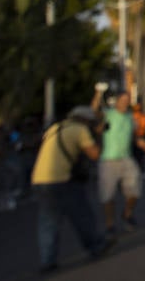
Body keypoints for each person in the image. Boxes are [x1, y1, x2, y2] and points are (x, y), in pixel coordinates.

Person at [30, 101, 113, 272]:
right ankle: (95, 245)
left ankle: (48, 260)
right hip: (61, 179)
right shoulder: (80, 130)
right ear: (85, 120)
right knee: (81, 213)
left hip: (39, 179)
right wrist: (99, 134)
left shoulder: (54, 128)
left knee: (48, 221)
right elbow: (95, 154)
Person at [97, 93, 145, 234]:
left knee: (135, 188)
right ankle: (110, 224)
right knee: (108, 195)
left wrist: (144, 144)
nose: (125, 103)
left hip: (126, 158)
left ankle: (127, 214)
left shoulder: (130, 118)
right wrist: (98, 93)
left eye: (127, 100)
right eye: (122, 100)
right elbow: (95, 116)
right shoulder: (108, 114)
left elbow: (135, 138)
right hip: (109, 159)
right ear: (117, 101)